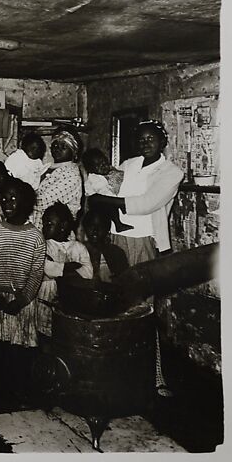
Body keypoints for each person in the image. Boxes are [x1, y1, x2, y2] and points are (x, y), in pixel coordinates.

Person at [88, 119, 184, 397]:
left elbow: (144, 205)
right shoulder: (129, 164)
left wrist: (103, 201)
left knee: (143, 310)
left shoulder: (171, 173)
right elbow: (104, 188)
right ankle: (113, 372)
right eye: (140, 139)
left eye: (150, 138)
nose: (145, 143)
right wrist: (101, 198)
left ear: (162, 141)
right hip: (116, 240)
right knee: (112, 306)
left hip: (144, 243)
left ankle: (154, 376)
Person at [0, 177, 46, 402]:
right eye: (4, 198)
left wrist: (22, 299)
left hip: (22, 303)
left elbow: (36, 273)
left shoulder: (35, 236)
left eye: (13, 198)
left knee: (19, 351)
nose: (7, 202)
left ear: (26, 203)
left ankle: (19, 392)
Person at [35, 203, 93, 340]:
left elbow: (88, 273)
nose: (44, 228)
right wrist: (72, 266)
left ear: (63, 226)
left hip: (73, 298)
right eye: (44, 224)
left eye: (49, 224)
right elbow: (47, 269)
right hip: (46, 297)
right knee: (45, 332)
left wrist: (59, 269)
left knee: (68, 332)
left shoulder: (78, 248)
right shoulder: (43, 246)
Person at [31, 128, 83, 230]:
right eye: (55, 145)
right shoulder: (46, 167)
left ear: (74, 152)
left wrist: (20, 198)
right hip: (35, 227)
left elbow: (42, 202)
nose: (57, 149)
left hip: (55, 233)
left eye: (63, 147)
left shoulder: (72, 175)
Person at [81, 148, 133, 233]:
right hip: (97, 204)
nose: (102, 165)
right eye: (97, 165)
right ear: (91, 169)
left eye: (103, 161)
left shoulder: (109, 172)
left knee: (112, 203)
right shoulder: (94, 178)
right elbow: (103, 191)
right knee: (111, 205)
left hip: (105, 198)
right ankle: (118, 224)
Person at [82, 208, 129, 283]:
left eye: (100, 226)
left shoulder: (116, 253)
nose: (95, 230)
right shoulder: (78, 250)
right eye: (91, 226)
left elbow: (124, 281)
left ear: (107, 229)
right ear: (85, 227)